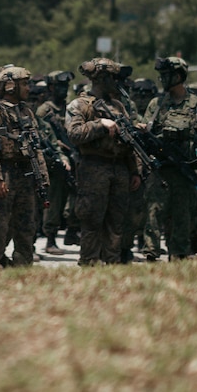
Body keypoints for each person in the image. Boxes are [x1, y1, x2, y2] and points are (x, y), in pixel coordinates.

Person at [65, 58, 142, 266]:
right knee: (91, 220)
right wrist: (100, 124)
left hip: (119, 168)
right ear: (102, 79)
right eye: (114, 78)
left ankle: (113, 263)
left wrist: (135, 171)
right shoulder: (79, 104)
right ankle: (89, 262)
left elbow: (128, 141)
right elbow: (74, 133)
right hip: (93, 167)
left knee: (117, 222)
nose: (118, 82)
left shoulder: (118, 106)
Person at [0, 65, 47, 268]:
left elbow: (36, 146)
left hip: (25, 173)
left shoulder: (26, 111)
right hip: (4, 172)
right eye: (24, 84)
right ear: (9, 86)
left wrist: (42, 178)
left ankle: (23, 264)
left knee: (26, 224)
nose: (28, 88)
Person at [144, 57, 197, 260]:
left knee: (182, 214)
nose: (162, 79)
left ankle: (179, 253)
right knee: (154, 211)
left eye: (167, 75)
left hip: (185, 170)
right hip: (160, 169)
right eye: (162, 75)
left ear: (178, 76)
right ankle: (151, 252)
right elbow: (146, 131)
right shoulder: (156, 104)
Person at [38, 70, 78, 253]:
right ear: (51, 87)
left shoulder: (68, 108)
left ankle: (72, 230)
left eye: (66, 86)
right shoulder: (45, 110)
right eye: (60, 85)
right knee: (53, 201)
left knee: (72, 199)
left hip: (71, 159)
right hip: (53, 162)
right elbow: (41, 136)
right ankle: (50, 239)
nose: (64, 89)